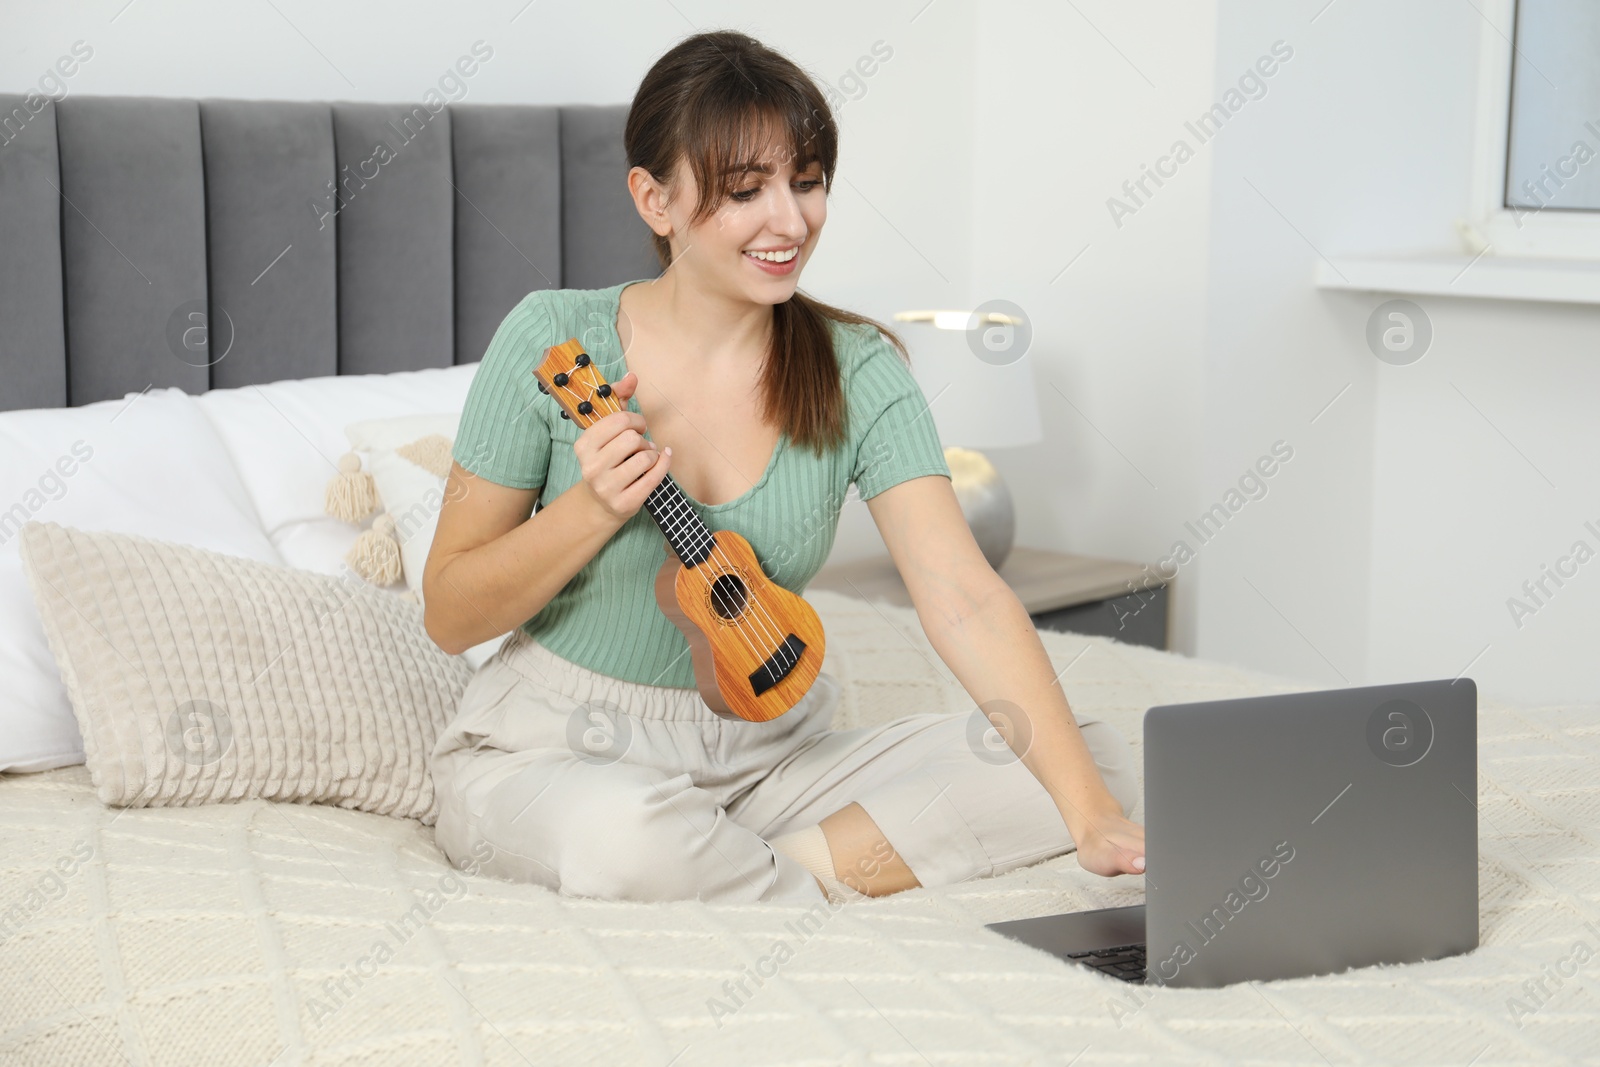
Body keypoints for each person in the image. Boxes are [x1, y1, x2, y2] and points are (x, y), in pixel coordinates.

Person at [422, 29, 1146, 906]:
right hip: (557, 750)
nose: (790, 222)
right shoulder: (548, 338)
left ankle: (734, 872)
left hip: (771, 754)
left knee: (1089, 762)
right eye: (745, 191)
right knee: (630, 837)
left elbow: (964, 592)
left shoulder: (858, 369)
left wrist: (1093, 816)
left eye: (806, 183)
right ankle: (791, 884)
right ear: (655, 201)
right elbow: (450, 614)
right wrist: (589, 509)